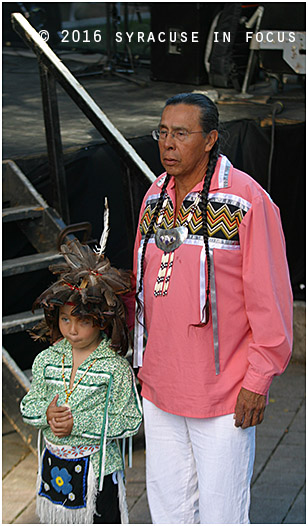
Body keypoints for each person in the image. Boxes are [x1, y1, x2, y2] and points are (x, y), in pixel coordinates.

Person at [131, 93, 293, 524]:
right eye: (162, 132)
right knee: (168, 509)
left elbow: (271, 300)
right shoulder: (154, 198)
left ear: (210, 140)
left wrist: (258, 380)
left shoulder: (246, 201)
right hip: (161, 387)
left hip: (225, 394)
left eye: (181, 134)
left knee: (222, 513)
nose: (167, 143)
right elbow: (144, 289)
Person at [20, 237, 142, 524]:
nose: (72, 330)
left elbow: (131, 419)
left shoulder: (114, 368)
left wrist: (79, 423)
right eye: (65, 319)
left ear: (101, 322)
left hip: (99, 474)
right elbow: (29, 405)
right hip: (55, 469)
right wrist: (46, 414)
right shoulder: (47, 360)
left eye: (82, 321)